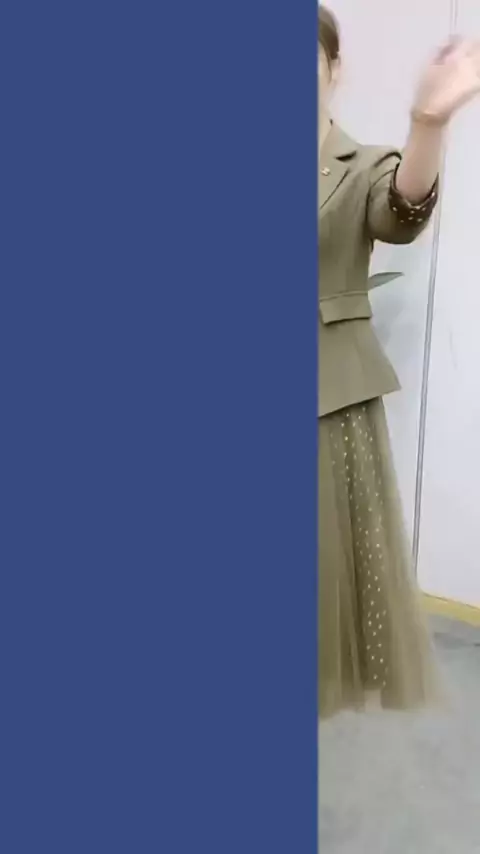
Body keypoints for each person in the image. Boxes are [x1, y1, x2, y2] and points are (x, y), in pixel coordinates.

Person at [318, 5, 480, 719]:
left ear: (334, 69)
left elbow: (402, 211)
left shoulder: (363, 165)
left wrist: (427, 123)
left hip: (326, 397)